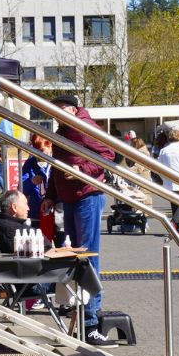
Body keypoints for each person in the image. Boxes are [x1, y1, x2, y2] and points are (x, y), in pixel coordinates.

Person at [48, 93, 117, 343]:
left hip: (87, 195)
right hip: (70, 198)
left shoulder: (83, 127)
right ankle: (79, 310)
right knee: (75, 256)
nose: (56, 114)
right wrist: (50, 195)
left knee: (87, 256)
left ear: (74, 110)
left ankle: (90, 319)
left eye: (61, 109)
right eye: (53, 110)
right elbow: (55, 165)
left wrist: (81, 170)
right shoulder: (63, 131)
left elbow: (108, 155)